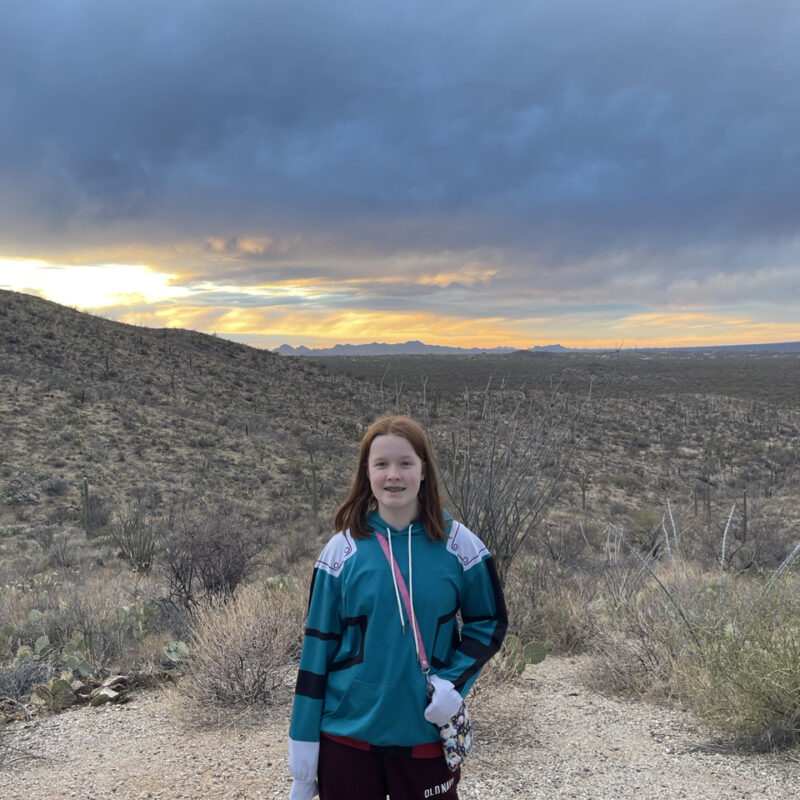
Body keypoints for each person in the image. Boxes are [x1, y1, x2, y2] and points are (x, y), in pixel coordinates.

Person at [288, 415, 508, 800]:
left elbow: (489, 622)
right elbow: (316, 653)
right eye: (382, 464)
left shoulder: (461, 546)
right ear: (367, 473)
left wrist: (451, 684)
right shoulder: (340, 552)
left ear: (424, 471)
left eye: (405, 463)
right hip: (347, 735)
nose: (394, 475)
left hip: (423, 732)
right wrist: (303, 757)